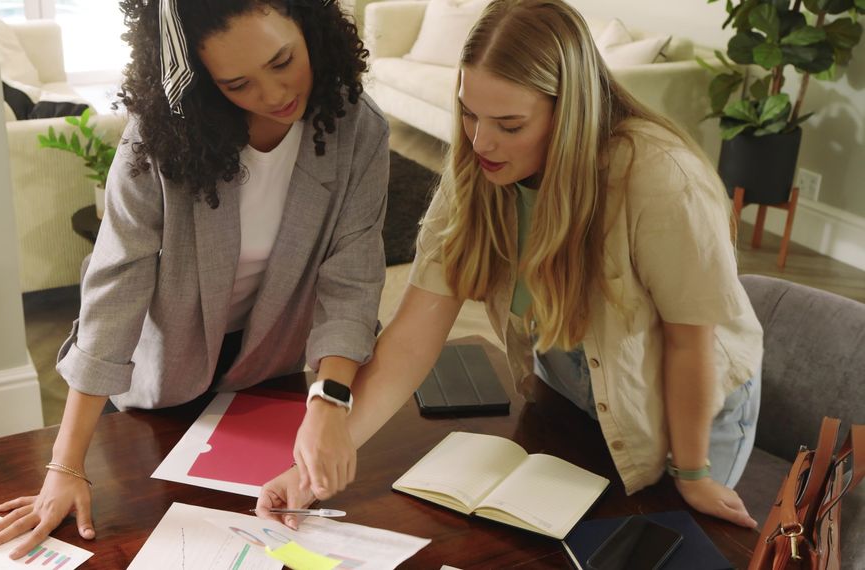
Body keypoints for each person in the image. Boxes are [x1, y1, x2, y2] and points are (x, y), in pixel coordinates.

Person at [259, 0, 763, 530]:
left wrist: (693, 473)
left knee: (659, 541)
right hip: (573, 384)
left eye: (509, 124)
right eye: (470, 113)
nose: (481, 141)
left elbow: (690, 344)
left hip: (686, 404)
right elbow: (411, 337)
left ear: (569, 113)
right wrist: (307, 473)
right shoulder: (480, 173)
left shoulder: (660, 178)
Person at [0, 0, 389, 558]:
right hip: (162, 378)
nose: (273, 95)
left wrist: (329, 401)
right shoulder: (160, 137)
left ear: (310, 27)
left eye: (283, 60)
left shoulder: (357, 128)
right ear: (199, 82)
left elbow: (352, 274)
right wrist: (66, 463)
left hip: (269, 368)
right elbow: (116, 285)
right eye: (238, 82)